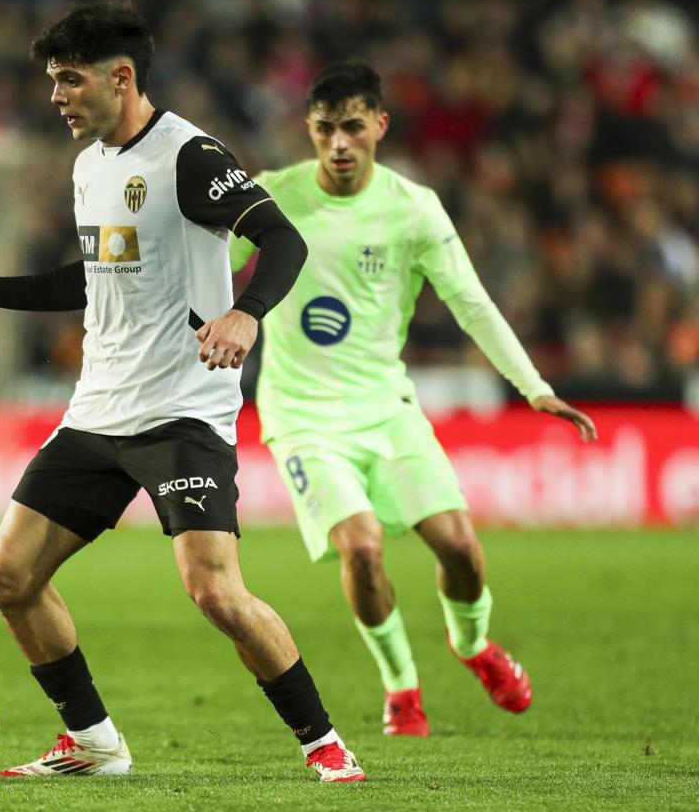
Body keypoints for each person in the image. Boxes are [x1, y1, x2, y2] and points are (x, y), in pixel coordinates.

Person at [0, 4, 366, 782]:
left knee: (215, 592)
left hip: (182, 411)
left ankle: (324, 744)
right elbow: (95, 273)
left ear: (121, 78)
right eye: (52, 81)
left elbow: (285, 238)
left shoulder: (188, 156)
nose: (56, 96)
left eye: (69, 79)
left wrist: (247, 314)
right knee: (9, 576)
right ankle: (93, 742)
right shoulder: (91, 164)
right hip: (97, 409)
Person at [229, 62, 598, 736]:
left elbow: (472, 302)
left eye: (352, 126)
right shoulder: (268, 198)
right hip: (302, 417)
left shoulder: (413, 208)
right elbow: (203, 264)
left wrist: (535, 388)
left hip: (386, 407)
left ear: (379, 126)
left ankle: (473, 646)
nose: (338, 143)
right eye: (323, 129)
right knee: (362, 549)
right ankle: (401, 688)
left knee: (459, 547)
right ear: (307, 130)